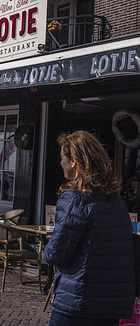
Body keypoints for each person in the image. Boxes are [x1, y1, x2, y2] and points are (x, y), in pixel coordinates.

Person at [42, 130, 135, 325]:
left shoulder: (75, 199)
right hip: (110, 304)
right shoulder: (116, 200)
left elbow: (57, 254)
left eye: (62, 158)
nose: (61, 163)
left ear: (74, 160)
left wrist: (45, 250)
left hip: (77, 301)